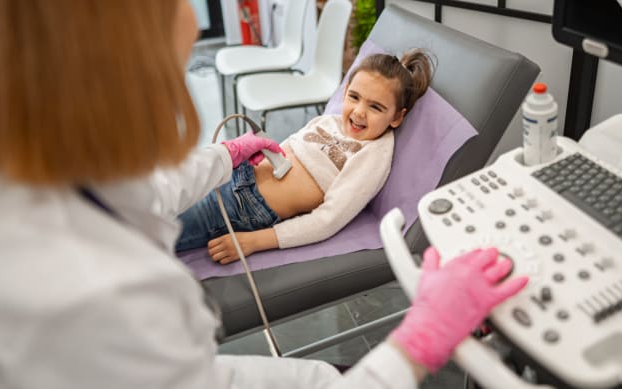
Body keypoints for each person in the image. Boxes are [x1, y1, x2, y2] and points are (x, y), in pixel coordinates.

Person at [0, 0, 530, 388]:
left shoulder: (40, 177)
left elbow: (148, 193)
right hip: (241, 196)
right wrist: (421, 341)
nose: (195, 18)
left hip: (254, 204)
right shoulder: (87, 298)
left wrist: (227, 159)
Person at [175, 50, 433, 264]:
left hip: (243, 210)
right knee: (164, 197)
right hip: (234, 173)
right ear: (345, 93)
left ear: (397, 117)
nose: (359, 112)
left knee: (155, 230)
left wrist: (253, 241)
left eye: (375, 107)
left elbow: (327, 220)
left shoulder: (373, 154)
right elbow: (288, 147)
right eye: (354, 97)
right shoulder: (329, 121)